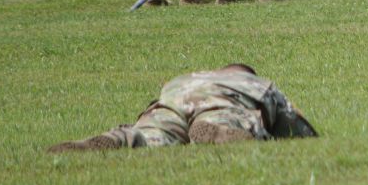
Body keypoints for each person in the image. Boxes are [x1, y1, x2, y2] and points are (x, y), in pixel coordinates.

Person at [48, 64, 316, 151]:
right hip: (221, 100)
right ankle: (216, 128)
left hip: (173, 99)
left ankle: (119, 138)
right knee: (225, 118)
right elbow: (295, 128)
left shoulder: (190, 77)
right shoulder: (252, 82)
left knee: (152, 133)